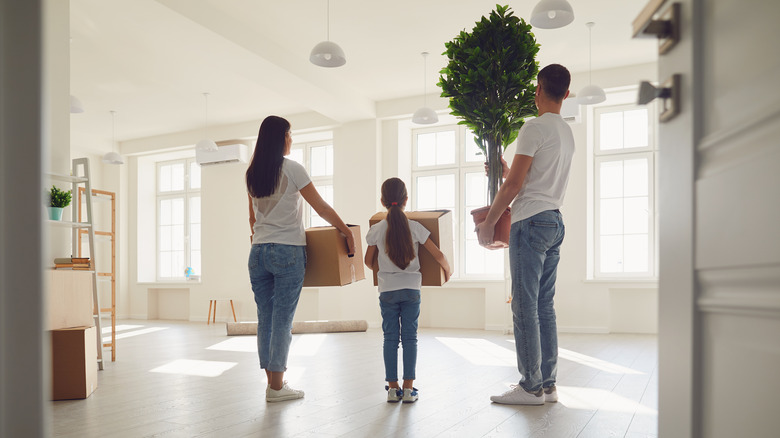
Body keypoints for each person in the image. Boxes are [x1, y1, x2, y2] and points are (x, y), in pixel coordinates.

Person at [476, 64, 575, 405]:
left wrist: (489, 220)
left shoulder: (533, 127)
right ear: (565, 93)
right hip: (554, 221)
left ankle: (529, 386)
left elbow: (517, 185)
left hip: (530, 221)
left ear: (538, 90)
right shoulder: (566, 132)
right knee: (544, 305)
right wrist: (506, 170)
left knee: (523, 306)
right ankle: (547, 384)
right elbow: (528, 176)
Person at [246, 115, 355, 402]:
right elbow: (320, 207)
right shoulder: (292, 169)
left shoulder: (252, 173)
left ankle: (273, 385)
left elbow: (252, 218)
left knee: (265, 319)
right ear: (280, 137)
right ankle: (277, 388)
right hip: (287, 251)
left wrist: (260, 238)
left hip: (257, 252)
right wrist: (345, 231)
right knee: (282, 320)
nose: (291, 139)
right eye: (289, 134)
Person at [364, 178, 452, 404]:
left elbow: (367, 261)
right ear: (405, 200)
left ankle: (392, 388)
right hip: (412, 289)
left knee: (390, 338)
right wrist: (447, 270)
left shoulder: (376, 229)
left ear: (382, 201)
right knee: (410, 338)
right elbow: (439, 255)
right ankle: (409, 388)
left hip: (387, 291)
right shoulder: (416, 228)